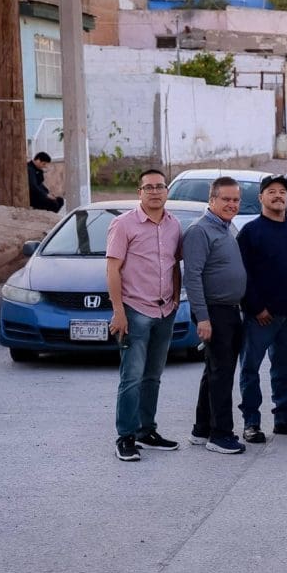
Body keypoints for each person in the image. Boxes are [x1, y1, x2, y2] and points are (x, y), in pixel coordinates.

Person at [106, 169, 183, 462]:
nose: (154, 191)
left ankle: (146, 431)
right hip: (135, 311)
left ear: (166, 191)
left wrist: (175, 298)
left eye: (159, 186)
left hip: (165, 311)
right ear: (139, 192)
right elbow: (112, 269)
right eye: (148, 187)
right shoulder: (123, 224)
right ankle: (125, 436)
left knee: (154, 376)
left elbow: (174, 265)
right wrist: (118, 311)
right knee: (132, 377)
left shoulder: (174, 225)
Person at [236, 175, 287, 443]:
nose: (278, 196)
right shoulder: (250, 232)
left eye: (282, 192)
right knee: (250, 369)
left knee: (283, 370)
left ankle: (284, 418)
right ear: (260, 197)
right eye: (271, 192)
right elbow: (243, 274)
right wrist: (256, 308)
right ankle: (251, 423)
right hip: (261, 316)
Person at [183, 176, 248, 455]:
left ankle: (202, 429)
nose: (231, 204)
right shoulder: (200, 231)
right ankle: (221, 434)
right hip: (215, 312)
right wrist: (203, 317)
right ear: (212, 200)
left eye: (235, 200)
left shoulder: (226, 226)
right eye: (226, 199)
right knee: (221, 375)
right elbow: (193, 277)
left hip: (231, 310)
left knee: (214, 372)